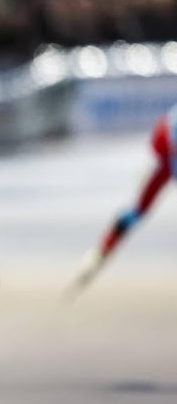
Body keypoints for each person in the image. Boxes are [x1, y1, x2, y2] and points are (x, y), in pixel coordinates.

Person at [68, 107, 176, 294]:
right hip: (163, 160)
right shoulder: (165, 141)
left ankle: (100, 253)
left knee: (137, 211)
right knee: (137, 210)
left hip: (165, 155)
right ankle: (100, 253)